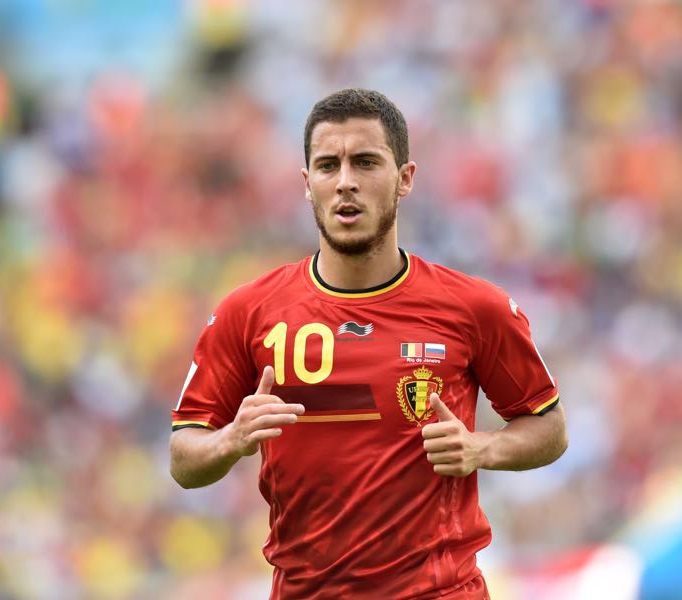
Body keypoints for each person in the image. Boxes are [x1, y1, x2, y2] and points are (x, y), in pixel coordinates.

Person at [169, 88, 568, 599]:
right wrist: (229, 440)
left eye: (365, 162)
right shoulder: (247, 312)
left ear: (405, 179)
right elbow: (184, 456)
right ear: (306, 184)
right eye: (327, 166)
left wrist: (483, 447)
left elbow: (549, 426)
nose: (346, 183)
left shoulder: (474, 308)